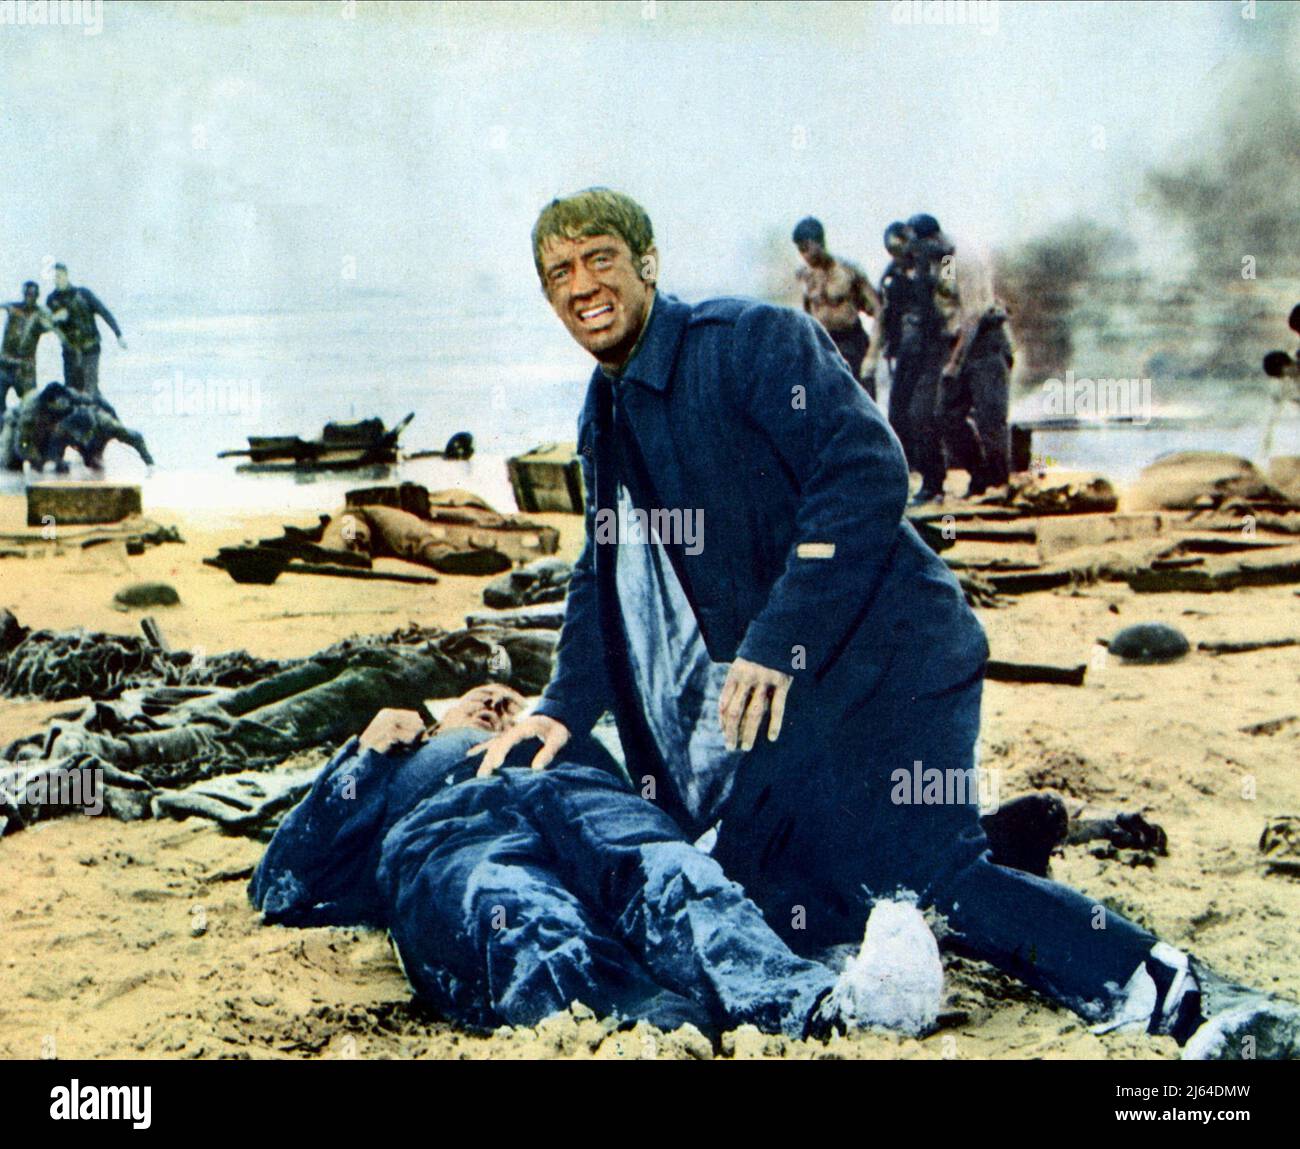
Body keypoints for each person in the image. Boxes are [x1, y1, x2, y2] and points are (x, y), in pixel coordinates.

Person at [469, 186, 1299, 1059]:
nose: (582, 285)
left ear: (648, 263)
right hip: (800, 698)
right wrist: (562, 702)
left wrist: (775, 642)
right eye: (558, 272)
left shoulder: (752, 342)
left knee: (923, 875)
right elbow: (605, 568)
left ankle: (1162, 986)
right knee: (767, 888)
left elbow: (867, 471)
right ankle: (1010, 836)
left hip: (897, 654)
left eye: (600, 257)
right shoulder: (603, 413)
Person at [251, 685, 945, 1039]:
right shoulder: (405, 766)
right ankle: (636, 1029)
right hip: (453, 825)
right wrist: (368, 750)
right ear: (440, 720)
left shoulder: (575, 741)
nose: (495, 702)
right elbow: (279, 883)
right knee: (505, 902)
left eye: (510, 697)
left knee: (671, 871)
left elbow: (691, 818)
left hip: (586, 800)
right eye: (476, 701)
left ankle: (824, 1008)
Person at [891, 213, 964, 504]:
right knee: (900, 414)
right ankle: (916, 478)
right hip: (914, 347)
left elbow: (950, 298)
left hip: (939, 344)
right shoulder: (905, 269)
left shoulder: (945, 263)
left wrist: (927, 271)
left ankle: (934, 482)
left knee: (923, 414)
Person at [791, 216, 880, 398]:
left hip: (852, 344)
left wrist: (872, 355)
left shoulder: (848, 270)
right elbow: (805, 315)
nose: (804, 256)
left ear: (819, 242)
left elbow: (879, 311)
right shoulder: (805, 275)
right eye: (800, 251)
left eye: (806, 249)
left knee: (861, 406)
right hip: (823, 346)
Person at [46, 263, 126, 399]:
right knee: (71, 390)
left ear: (66, 275)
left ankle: (102, 416)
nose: (56, 280)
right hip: (70, 351)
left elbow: (104, 312)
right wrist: (54, 318)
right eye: (54, 278)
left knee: (90, 389)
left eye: (59, 276)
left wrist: (118, 334)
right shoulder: (52, 300)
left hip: (90, 348)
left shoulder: (83, 294)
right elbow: (45, 324)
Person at [1, 281, 66, 410]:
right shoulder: (13, 308)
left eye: (32, 295)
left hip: (25, 369)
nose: (29, 298)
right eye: (27, 294)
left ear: (37, 296)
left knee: (31, 407)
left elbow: (51, 325)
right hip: (4, 364)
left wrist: (56, 319)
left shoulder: (39, 314)